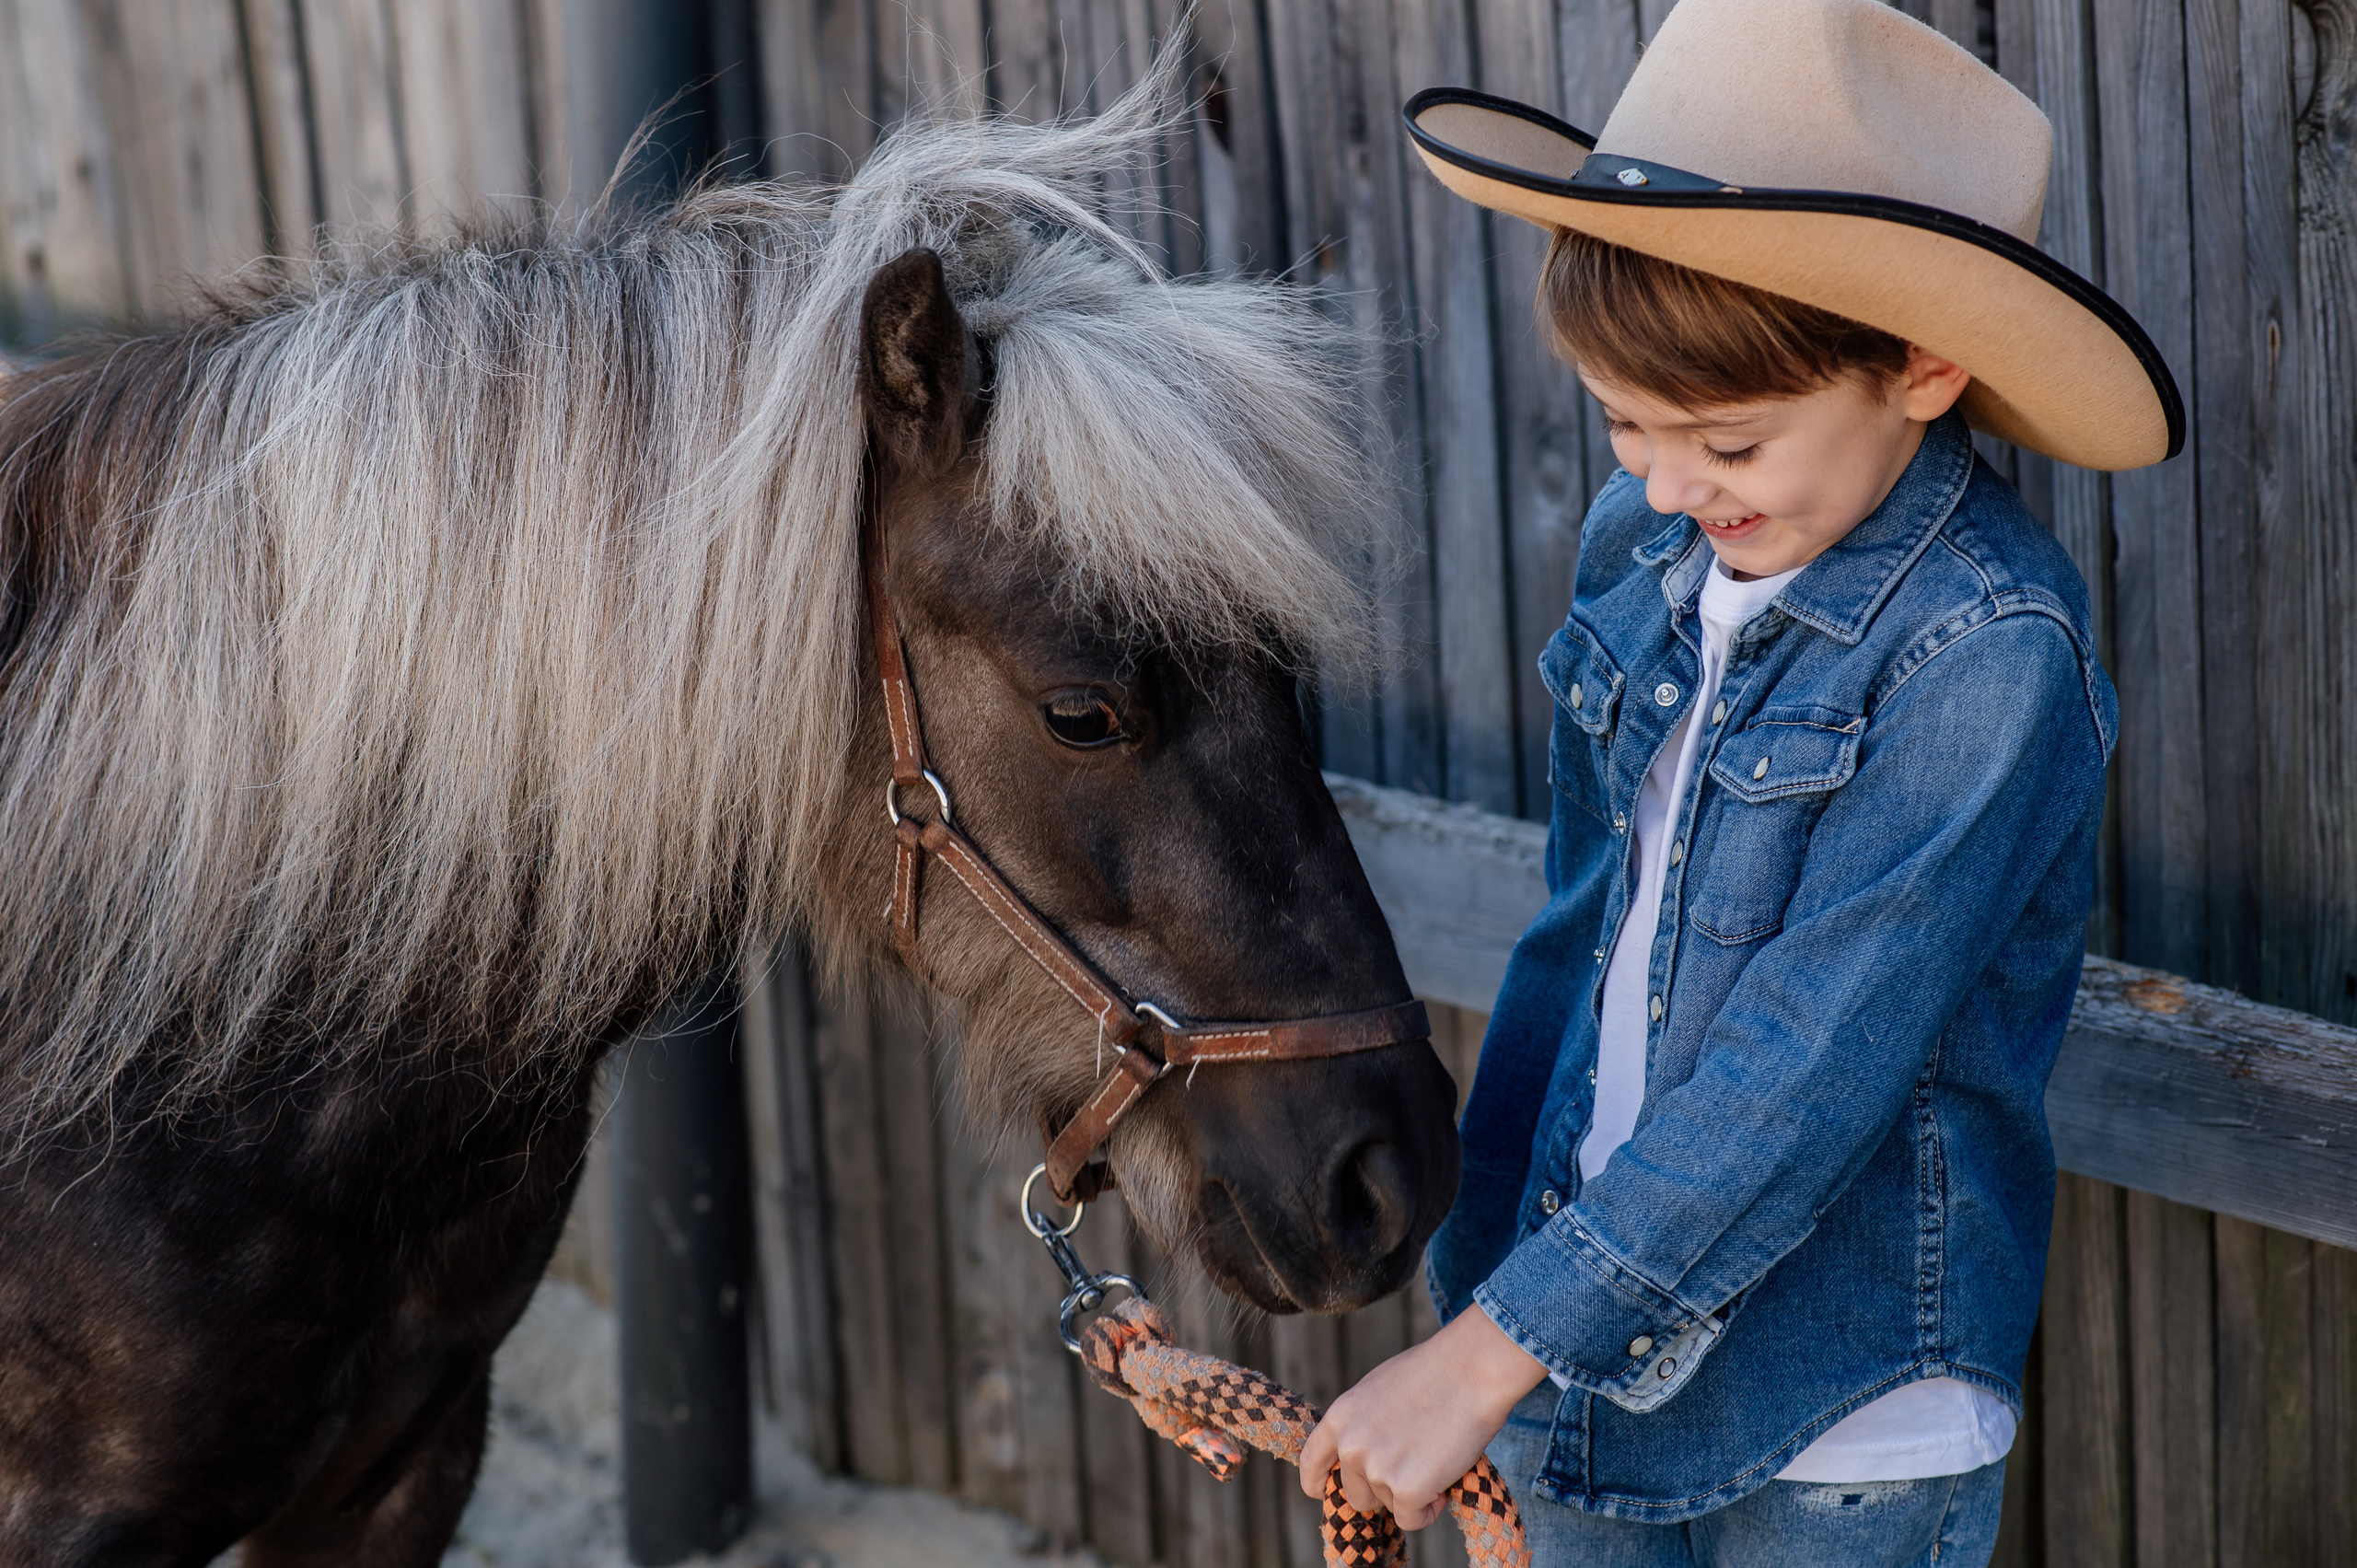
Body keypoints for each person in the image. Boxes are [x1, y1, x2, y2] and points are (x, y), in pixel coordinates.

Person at [1297, 1, 2182, 1562]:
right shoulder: (1644, 552)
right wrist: (1502, 1277)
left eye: (1726, 440)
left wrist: (1489, 1348)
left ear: (1919, 367)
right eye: (1625, 422)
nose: (1663, 481)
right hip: (1571, 1353)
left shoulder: (1988, 651)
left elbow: (1808, 1064)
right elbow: (1579, 934)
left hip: (1844, 1418)